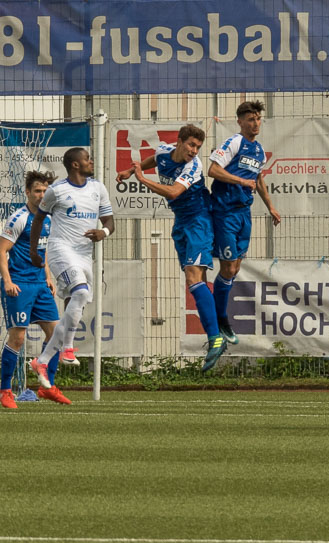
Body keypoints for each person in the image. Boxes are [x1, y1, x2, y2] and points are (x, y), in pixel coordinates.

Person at [117, 124, 226, 371]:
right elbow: (153, 159)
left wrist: (142, 179)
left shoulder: (193, 166)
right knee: (197, 280)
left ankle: (216, 336)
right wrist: (129, 169)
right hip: (182, 222)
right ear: (179, 142)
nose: (194, 150)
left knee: (193, 277)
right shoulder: (166, 151)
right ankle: (217, 332)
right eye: (191, 145)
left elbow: (174, 192)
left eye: (198, 147)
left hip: (199, 221)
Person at [28, 148, 113, 391]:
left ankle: (42, 361)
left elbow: (109, 221)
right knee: (80, 292)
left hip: (85, 254)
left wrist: (103, 232)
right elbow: (38, 219)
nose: (91, 161)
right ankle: (67, 347)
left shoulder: (98, 188)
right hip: (60, 250)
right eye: (87, 159)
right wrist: (35, 252)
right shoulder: (57, 190)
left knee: (78, 299)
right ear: (75, 165)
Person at [209, 100, 281, 344]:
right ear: (240, 121)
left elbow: (258, 179)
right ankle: (220, 319)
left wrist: (270, 206)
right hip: (225, 212)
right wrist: (240, 182)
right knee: (228, 268)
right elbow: (213, 171)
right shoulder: (234, 142)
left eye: (258, 119)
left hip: (244, 214)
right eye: (251, 119)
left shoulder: (258, 149)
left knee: (235, 268)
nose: (255, 123)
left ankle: (219, 315)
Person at [0, 171, 70, 406]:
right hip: (19, 284)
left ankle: (48, 386)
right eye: (37, 191)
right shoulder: (19, 218)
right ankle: (5, 390)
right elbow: (1, 251)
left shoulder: (48, 219)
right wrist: (8, 281)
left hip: (39, 284)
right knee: (17, 338)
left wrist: (47, 276)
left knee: (57, 333)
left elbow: (44, 249)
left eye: (44, 191)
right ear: (27, 193)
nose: (41, 195)